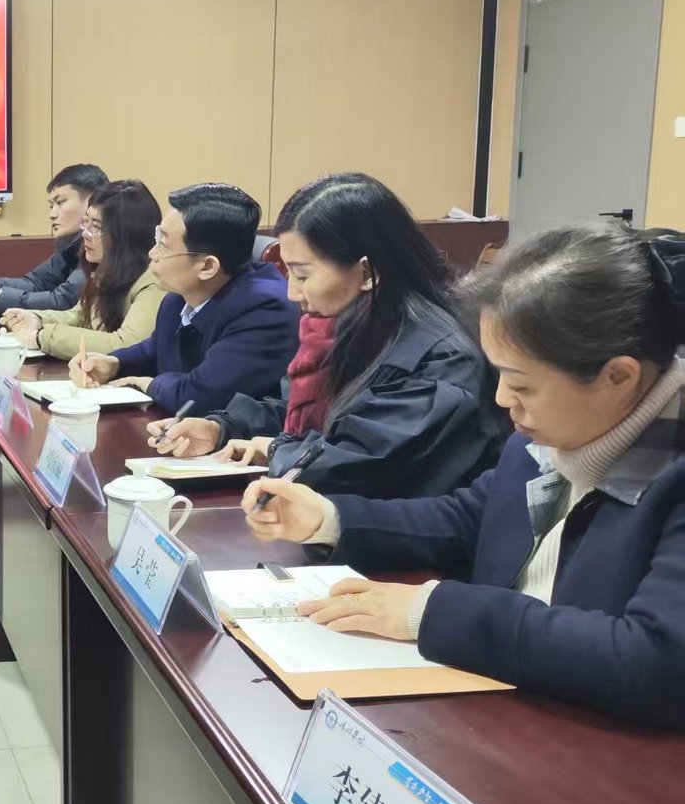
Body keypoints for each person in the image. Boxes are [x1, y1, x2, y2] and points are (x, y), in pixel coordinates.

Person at [244, 224, 685, 728]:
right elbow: (469, 518)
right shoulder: (549, 434)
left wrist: (432, 612)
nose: (502, 400)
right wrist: (329, 518)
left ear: (618, 377)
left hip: (601, 748)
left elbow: (655, 660)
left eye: (521, 384)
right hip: (506, 711)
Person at [148, 173, 505, 497]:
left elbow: (362, 463)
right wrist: (222, 427)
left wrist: (275, 449)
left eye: (303, 275)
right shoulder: (346, 324)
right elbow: (298, 408)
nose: (292, 292)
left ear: (366, 272)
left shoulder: (439, 356)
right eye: (288, 272)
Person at [68, 182, 298, 413]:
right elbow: (156, 349)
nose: (152, 253)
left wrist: (148, 384)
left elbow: (200, 396)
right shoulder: (179, 297)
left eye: (163, 245)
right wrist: (115, 364)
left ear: (207, 266)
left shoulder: (265, 310)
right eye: (157, 239)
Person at [0, 179, 166, 358]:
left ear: (126, 235)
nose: (85, 234)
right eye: (85, 222)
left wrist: (42, 337)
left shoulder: (154, 281)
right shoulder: (106, 270)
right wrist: (37, 319)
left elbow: (125, 344)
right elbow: (81, 317)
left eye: (96, 227)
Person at [0, 163, 108, 312]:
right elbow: (36, 282)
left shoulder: (103, 246)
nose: (52, 214)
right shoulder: (71, 246)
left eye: (60, 202)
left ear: (93, 201)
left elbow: (62, 301)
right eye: (51, 206)